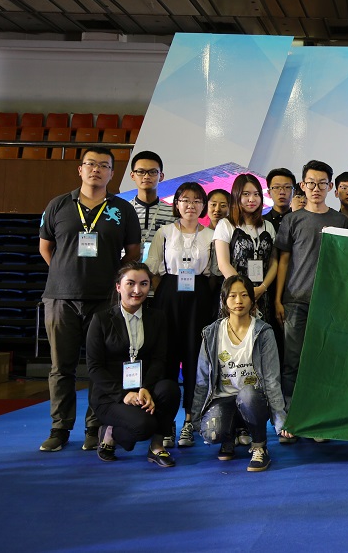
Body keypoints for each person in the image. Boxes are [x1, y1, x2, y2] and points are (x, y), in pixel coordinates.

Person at [38, 147, 141, 452]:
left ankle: (95, 426)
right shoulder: (58, 205)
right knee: (61, 367)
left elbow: (133, 253)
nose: (96, 169)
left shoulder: (123, 209)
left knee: (101, 367)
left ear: (112, 173)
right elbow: (45, 248)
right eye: (91, 164)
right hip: (61, 298)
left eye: (103, 166)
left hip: (105, 300)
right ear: (80, 169)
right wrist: (65, 273)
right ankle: (59, 428)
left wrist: (109, 279)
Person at [275, 160, 348, 424]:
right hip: (295, 301)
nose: (316, 188)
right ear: (302, 185)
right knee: (292, 363)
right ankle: (290, 419)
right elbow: (283, 261)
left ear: (330, 187)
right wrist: (278, 299)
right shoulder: (292, 220)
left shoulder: (340, 220)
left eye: (322, 183)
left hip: (329, 303)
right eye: (311, 183)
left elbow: (346, 263)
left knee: (324, 362)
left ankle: (319, 418)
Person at [191, 275, 290, 472]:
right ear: (224, 300)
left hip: (253, 398)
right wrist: (196, 418)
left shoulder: (263, 332)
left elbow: (272, 380)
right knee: (212, 433)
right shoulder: (211, 333)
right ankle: (228, 437)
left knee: (248, 394)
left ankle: (259, 445)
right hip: (222, 398)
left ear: (252, 300)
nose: (238, 301)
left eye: (244, 295)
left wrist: (280, 420)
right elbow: (202, 379)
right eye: (233, 295)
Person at [145, 182, 217, 448]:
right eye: (185, 200)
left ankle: (190, 420)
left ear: (203, 206)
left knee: (194, 358)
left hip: (199, 299)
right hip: (168, 298)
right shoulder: (164, 233)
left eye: (197, 201)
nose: (191, 205)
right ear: (176, 204)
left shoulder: (211, 235)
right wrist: (167, 292)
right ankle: (166, 423)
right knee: (167, 358)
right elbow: (153, 269)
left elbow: (213, 274)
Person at [86, 262, 179, 466]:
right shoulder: (101, 320)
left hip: (142, 389)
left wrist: (146, 387)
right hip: (110, 396)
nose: (137, 290)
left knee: (170, 390)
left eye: (144, 284)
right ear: (118, 287)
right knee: (144, 425)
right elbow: (94, 367)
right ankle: (109, 432)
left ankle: (157, 447)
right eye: (130, 283)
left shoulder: (157, 317)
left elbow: (159, 359)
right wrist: (123, 395)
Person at [214, 174, 278, 322]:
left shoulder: (268, 226)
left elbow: (274, 262)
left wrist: (262, 288)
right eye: (246, 194)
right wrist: (245, 292)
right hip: (235, 294)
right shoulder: (226, 224)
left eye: (256, 194)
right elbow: (223, 264)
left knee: (260, 333)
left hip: (261, 293)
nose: (252, 199)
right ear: (237, 196)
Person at [129, 151, 175, 255]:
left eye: (153, 172)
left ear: (161, 176)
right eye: (141, 172)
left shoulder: (172, 213)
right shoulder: (123, 210)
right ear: (132, 175)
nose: (146, 176)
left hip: (161, 265)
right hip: (128, 265)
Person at [263, 168, 296, 232]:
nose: (282, 192)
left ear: (294, 192)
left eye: (287, 187)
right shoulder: (260, 222)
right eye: (276, 187)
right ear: (269, 193)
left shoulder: (300, 222)